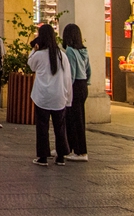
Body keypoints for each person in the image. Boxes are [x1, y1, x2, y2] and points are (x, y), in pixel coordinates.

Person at [30, 23, 72, 166]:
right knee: (60, 127)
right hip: (59, 96)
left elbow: (30, 65)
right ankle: (61, 156)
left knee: (42, 126)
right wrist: (68, 98)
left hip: (42, 96)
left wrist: (33, 50)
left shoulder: (39, 55)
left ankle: (42, 157)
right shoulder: (62, 56)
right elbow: (68, 78)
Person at [62, 23, 90, 161]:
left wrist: (67, 88)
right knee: (77, 118)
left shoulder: (70, 51)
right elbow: (88, 70)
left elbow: (71, 73)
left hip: (74, 85)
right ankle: (69, 148)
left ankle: (80, 151)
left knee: (74, 119)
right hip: (83, 84)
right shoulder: (83, 51)